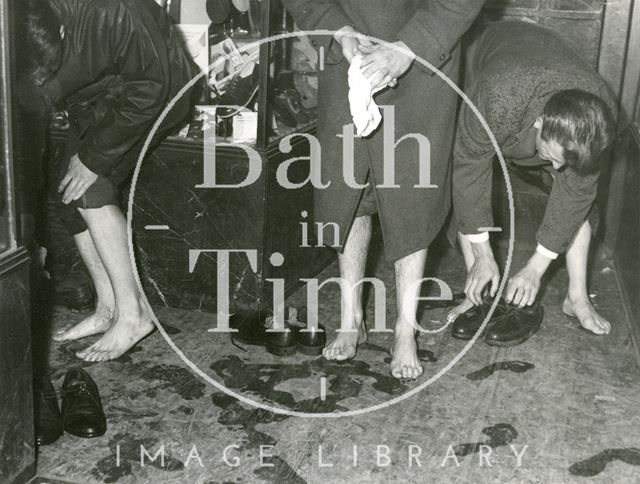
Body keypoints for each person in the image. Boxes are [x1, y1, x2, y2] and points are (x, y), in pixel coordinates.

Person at [281, 0, 484, 379]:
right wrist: (337, 30)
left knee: (412, 192)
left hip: (423, 63)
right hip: (349, 56)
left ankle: (405, 328)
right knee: (348, 188)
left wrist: (409, 46)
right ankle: (350, 317)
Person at [23, 0, 200, 361]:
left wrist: (93, 159)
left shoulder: (116, 8)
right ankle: (108, 310)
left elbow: (153, 86)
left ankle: (133, 315)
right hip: (98, 94)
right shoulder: (25, 15)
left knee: (90, 187)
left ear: (60, 30)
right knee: (69, 192)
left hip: (157, 92)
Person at [449, 20, 617, 343]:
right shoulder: (496, 97)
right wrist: (484, 256)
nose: (555, 167)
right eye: (550, 156)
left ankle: (577, 298)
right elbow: (469, 169)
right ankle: (476, 296)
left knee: (576, 196)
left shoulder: (598, 118)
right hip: (497, 58)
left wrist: (535, 269)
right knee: (470, 186)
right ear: (540, 122)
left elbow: (575, 198)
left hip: (549, 73)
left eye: (564, 161)